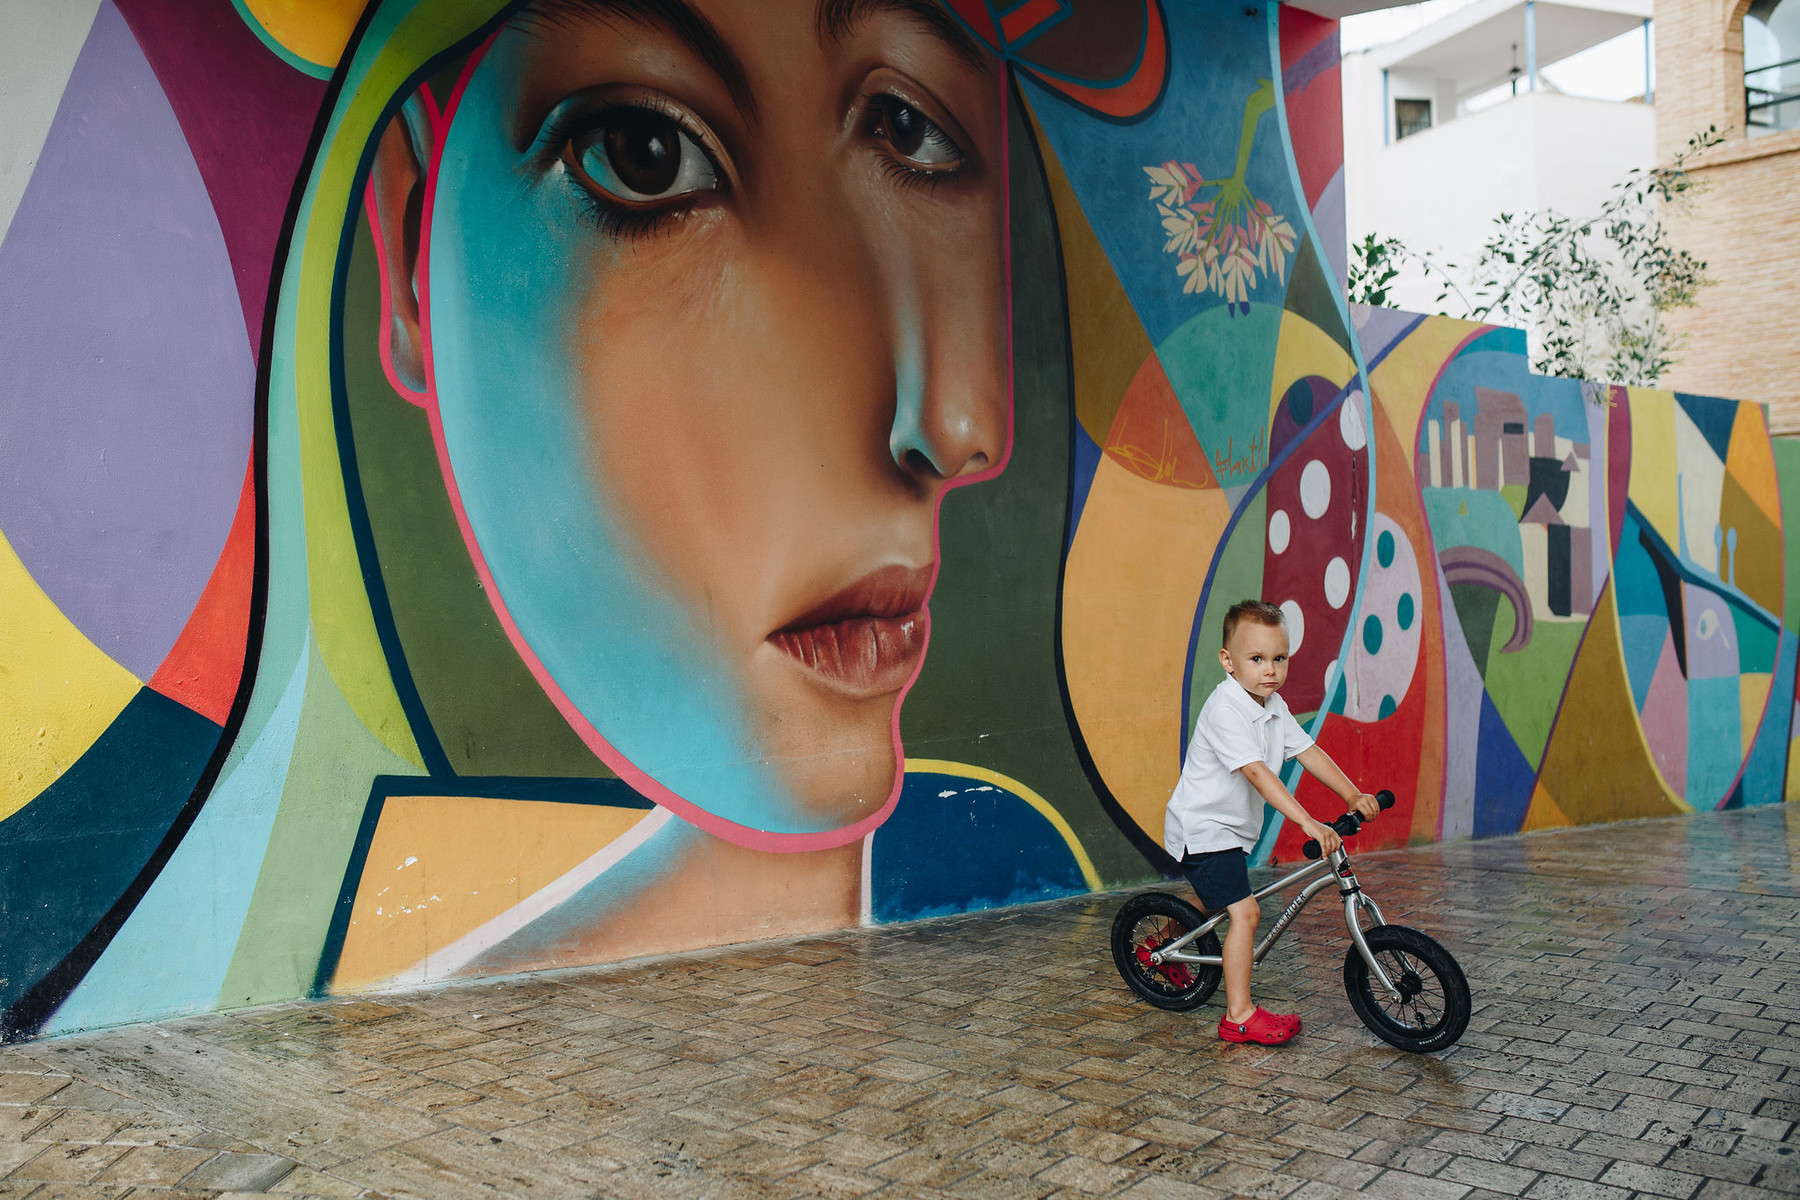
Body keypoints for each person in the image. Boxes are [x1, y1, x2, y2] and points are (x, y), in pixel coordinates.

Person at [1165, 599, 1380, 1044]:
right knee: (1245, 913)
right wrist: (1307, 822)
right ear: (1228, 661)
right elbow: (1259, 775)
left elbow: (1307, 751)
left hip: (1231, 829)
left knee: (1217, 896)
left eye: (1279, 659)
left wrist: (1352, 793)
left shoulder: (1273, 704)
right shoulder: (1226, 708)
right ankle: (1238, 1016)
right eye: (1257, 659)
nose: (1270, 670)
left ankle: (1162, 942)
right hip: (1203, 828)